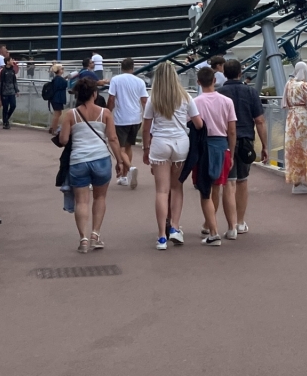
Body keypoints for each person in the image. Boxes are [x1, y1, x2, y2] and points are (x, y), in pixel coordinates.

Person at [58, 76, 124, 253]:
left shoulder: (71, 114)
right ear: (95, 94)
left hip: (78, 160)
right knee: (100, 198)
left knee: (82, 201)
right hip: (101, 159)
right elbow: (113, 138)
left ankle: (83, 239)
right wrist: (120, 160)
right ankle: (95, 234)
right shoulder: (105, 113)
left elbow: (63, 140)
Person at [142, 61, 202, 249]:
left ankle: (161, 236)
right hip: (180, 143)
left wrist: (146, 149)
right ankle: (175, 227)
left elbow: (146, 127)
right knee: (177, 188)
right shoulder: (185, 96)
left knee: (162, 191)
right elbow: (198, 123)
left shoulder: (154, 99)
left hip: (160, 143)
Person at [217, 59, 267, 237]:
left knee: (228, 183)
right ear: (240, 73)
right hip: (246, 140)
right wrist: (265, 146)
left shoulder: (219, 93)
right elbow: (259, 120)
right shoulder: (251, 92)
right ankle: (240, 222)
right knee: (242, 181)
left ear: (224, 73)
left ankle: (230, 227)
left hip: (224, 141)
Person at [193, 66, 236, 246]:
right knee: (217, 186)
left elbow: (193, 127)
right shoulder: (227, 101)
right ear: (215, 80)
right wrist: (231, 152)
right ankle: (214, 226)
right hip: (222, 145)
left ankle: (213, 230)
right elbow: (232, 130)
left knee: (205, 190)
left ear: (198, 82)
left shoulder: (195, 102)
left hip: (203, 146)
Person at [107, 58, 147, 188]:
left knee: (120, 148)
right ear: (133, 68)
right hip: (136, 118)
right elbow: (144, 101)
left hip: (121, 118)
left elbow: (112, 98)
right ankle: (124, 177)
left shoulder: (116, 80)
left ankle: (130, 168)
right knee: (129, 147)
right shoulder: (140, 81)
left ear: (121, 67)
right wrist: (147, 116)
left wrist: (107, 112)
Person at [282, 62, 307, 193]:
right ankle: (304, 179)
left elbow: (285, 102)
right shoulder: (303, 85)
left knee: (293, 148)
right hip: (302, 118)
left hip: (291, 117)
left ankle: (296, 182)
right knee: (305, 147)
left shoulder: (289, 84)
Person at [0, 55, 19, 129]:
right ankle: (5, 122)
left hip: (11, 92)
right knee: (5, 107)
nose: (13, 61)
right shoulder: (2, 70)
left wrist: (16, 90)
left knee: (13, 105)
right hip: (4, 92)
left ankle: (6, 119)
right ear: (7, 62)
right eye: (11, 60)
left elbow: (14, 81)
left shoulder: (12, 71)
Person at [47, 63, 69, 134]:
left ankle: (52, 127)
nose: (63, 70)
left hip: (55, 98)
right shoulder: (59, 79)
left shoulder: (56, 78)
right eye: (62, 69)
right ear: (59, 70)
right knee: (57, 114)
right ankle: (54, 129)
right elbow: (65, 84)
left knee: (57, 113)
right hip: (58, 98)